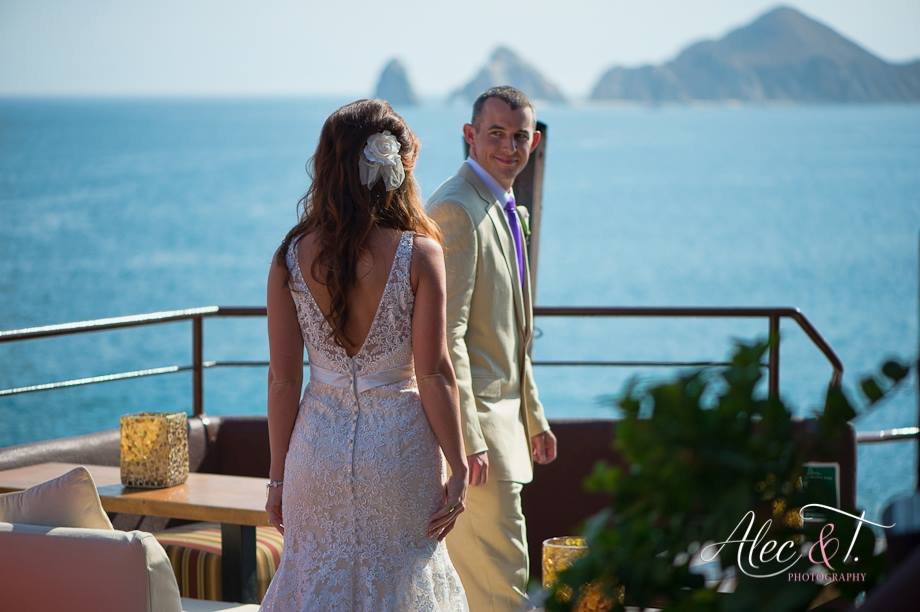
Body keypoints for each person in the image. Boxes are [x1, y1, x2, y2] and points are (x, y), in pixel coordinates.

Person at [260, 99, 469, 611]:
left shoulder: (290, 256)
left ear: (330, 168)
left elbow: (282, 381)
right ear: (397, 168)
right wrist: (460, 464)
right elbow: (435, 371)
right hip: (398, 454)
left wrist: (278, 476)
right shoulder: (420, 254)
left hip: (315, 455)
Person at [426, 86, 558, 611]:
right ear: (470, 136)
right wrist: (470, 440)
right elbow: (447, 335)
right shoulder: (456, 210)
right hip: (477, 440)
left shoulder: (508, 207)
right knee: (504, 582)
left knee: (481, 584)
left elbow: (510, 334)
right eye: (496, 134)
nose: (509, 147)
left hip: (506, 428)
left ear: (535, 141)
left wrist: (535, 417)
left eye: (519, 136)